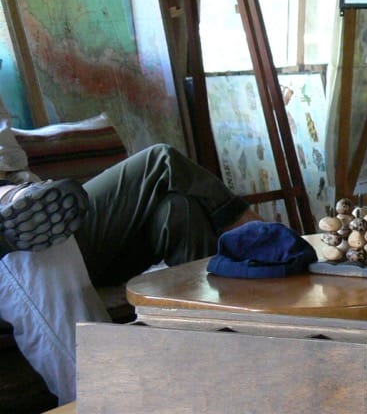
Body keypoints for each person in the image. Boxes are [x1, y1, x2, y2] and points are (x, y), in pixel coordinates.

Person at [0, 110, 259, 405]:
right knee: (161, 159)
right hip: (29, 220)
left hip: (49, 214)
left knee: (178, 210)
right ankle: (256, 238)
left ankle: (219, 343)